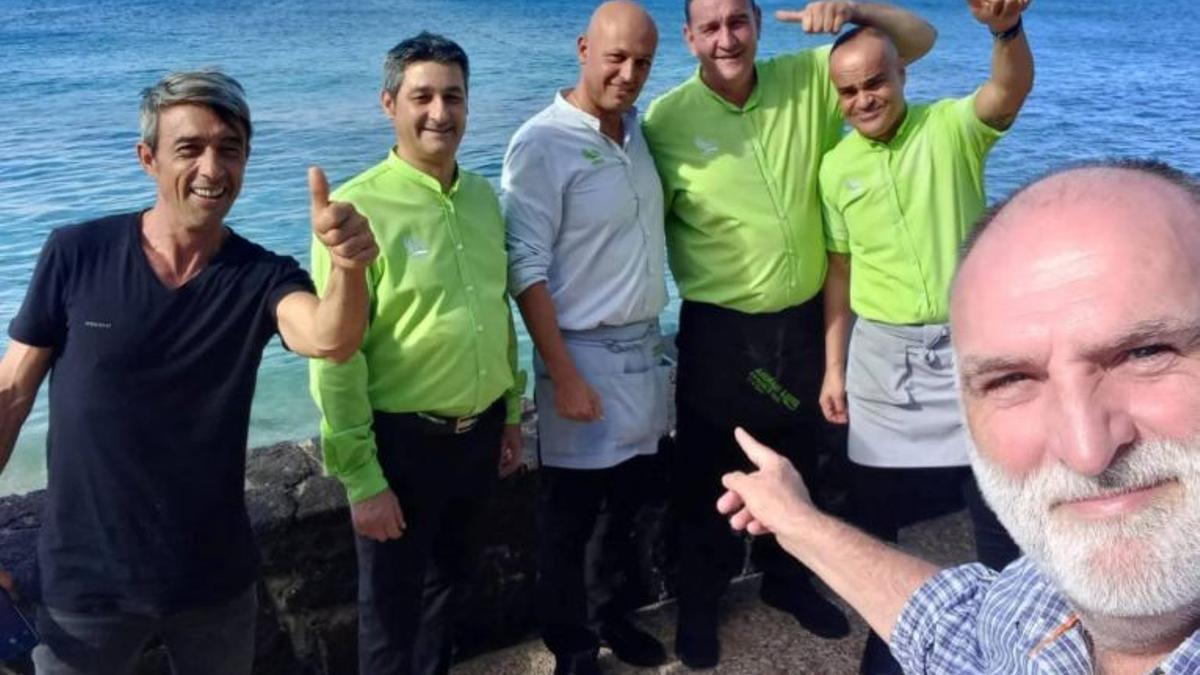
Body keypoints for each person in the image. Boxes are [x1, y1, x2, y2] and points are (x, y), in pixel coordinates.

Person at [718, 159, 1200, 674]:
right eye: (1010, 379)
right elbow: (957, 625)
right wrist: (799, 522)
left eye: (1147, 352)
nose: (1087, 450)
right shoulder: (1035, 600)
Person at [0, 69, 377, 675]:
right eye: (189, 148)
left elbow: (330, 338)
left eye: (230, 150)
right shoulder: (77, 253)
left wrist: (349, 268)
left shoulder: (262, 275)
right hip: (86, 582)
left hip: (212, 581)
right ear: (147, 158)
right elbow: (13, 392)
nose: (212, 168)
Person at [640, 0, 935, 667]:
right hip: (720, 329)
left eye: (737, 21)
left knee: (809, 464)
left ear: (755, 22)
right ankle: (700, 602)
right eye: (710, 27)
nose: (726, 39)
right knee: (708, 478)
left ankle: (787, 581)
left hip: (805, 322)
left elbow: (917, 41)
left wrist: (856, 8)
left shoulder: (807, 77)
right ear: (688, 37)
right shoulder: (665, 121)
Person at [816, 2, 1033, 671]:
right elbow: (840, 270)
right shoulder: (834, 169)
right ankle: (887, 640)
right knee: (875, 518)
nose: (863, 99)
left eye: (874, 83)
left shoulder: (951, 128)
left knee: (997, 508)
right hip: (882, 358)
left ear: (902, 75)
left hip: (968, 350)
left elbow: (1009, 89)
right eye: (848, 91)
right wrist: (833, 366)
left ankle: (1016, 634)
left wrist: (1006, 32)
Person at [308, 32, 525, 675]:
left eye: (453, 96)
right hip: (403, 445)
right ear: (389, 104)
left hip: (478, 435)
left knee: (448, 595)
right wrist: (362, 478)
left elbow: (496, 311)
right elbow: (335, 355)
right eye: (422, 96)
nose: (440, 113)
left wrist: (510, 412)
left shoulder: (485, 198)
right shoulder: (355, 210)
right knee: (391, 615)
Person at [501, 2, 667, 673]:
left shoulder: (638, 133)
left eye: (643, 62)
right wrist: (562, 373)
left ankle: (612, 616)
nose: (628, 74)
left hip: (644, 351)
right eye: (615, 57)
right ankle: (571, 644)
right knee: (569, 518)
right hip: (581, 353)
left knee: (624, 507)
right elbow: (524, 268)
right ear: (582, 48)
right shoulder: (541, 142)